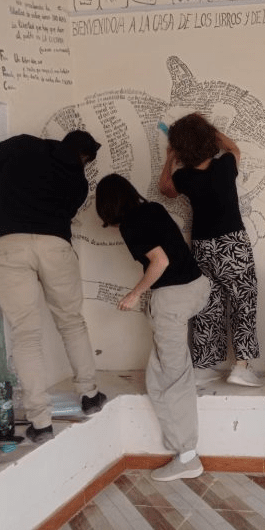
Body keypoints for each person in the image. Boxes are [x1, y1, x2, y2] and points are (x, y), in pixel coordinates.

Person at [0, 130, 107, 444]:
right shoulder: (78, 182)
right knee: (71, 322)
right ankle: (90, 395)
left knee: (25, 333)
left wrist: (3, 165)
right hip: (56, 247)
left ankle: (41, 422)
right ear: (84, 157)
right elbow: (63, 212)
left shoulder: (22, 144)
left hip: (9, 245)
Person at [95, 173, 210, 482]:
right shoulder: (154, 210)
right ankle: (183, 449)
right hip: (197, 287)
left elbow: (159, 262)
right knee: (160, 376)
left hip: (172, 300)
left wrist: (135, 294)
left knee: (173, 379)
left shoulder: (131, 225)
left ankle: (188, 456)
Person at [158, 112, 264, 387]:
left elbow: (165, 189)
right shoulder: (225, 166)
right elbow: (234, 148)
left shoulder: (184, 177)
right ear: (208, 141)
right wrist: (210, 131)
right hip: (233, 244)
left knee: (208, 304)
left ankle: (203, 367)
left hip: (203, 247)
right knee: (243, 301)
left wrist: (170, 157)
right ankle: (241, 366)